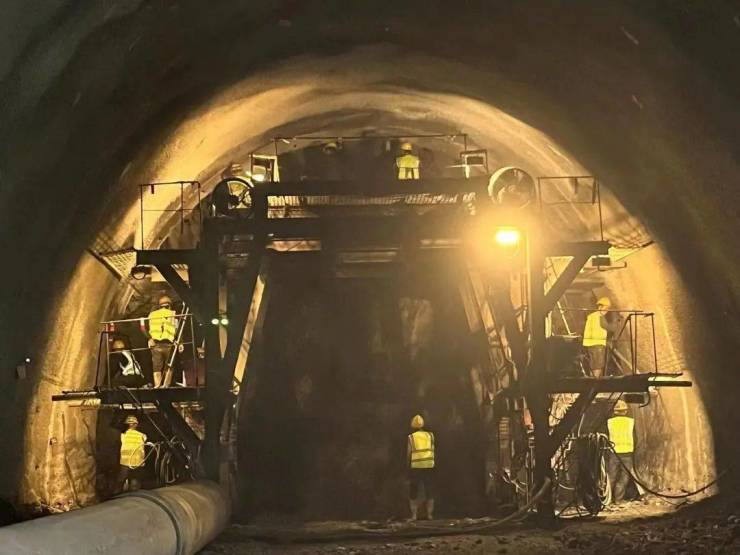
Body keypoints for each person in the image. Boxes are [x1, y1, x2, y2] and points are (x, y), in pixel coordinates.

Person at [607, 400, 641, 504]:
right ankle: (618, 499)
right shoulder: (631, 422)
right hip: (627, 453)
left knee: (611, 477)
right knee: (624, 477)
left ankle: (607, 501)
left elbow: (605, 438)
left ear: (614, 411)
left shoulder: (609, 422)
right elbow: (636, 438)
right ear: (625, 411)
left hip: (613, 453)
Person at [582, 296, 620, 378]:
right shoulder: (600, 316)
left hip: (590, 344)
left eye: (608, 309)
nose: (607, 311)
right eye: (606, 308)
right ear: (600, 307)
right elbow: (609, 327)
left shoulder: (591, 316)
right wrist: (615, 321)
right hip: (597, 344)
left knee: (593, 366)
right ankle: (595, 383)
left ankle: (591, 381)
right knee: (598, 366)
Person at [407, 414, 436, 520]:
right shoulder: (430, 435)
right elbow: (433, 450)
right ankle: (430, 514)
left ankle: (414, 515)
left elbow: (409, 453)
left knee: (413, 490)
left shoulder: (411, 437)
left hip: (416, 466)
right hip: (429, 465)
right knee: (429, 489)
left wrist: (408, 466)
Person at [148, 295, 177, 387]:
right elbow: (177, 328)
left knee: (157, 367)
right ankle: (166, 385)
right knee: (169, 366)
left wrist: (149, 338)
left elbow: (144, 327)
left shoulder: (152, 315)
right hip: (168, 343)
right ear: (170, 305)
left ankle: (158, 386)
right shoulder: (173, 314)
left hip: (157, 344)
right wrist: (180, 342)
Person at [118, 415, 147, 492]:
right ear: (136, 424)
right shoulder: (142, 435)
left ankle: (119, 495)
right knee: (135, 482)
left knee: (121, 480)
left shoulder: (123, 435)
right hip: (137, 462)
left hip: (125, 462)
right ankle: (134, 495)